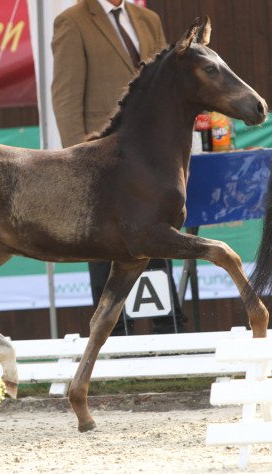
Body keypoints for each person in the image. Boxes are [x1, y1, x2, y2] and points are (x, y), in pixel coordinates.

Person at [51, 0, 187, 335]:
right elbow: (66, 96)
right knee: (102, 245)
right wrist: (77, 157)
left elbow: (166, 81)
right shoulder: (72, 21)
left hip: (151, 157)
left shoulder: (148, 18)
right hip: (102, 159)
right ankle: (113, 334)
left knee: (156, 238)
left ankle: (167, 330)